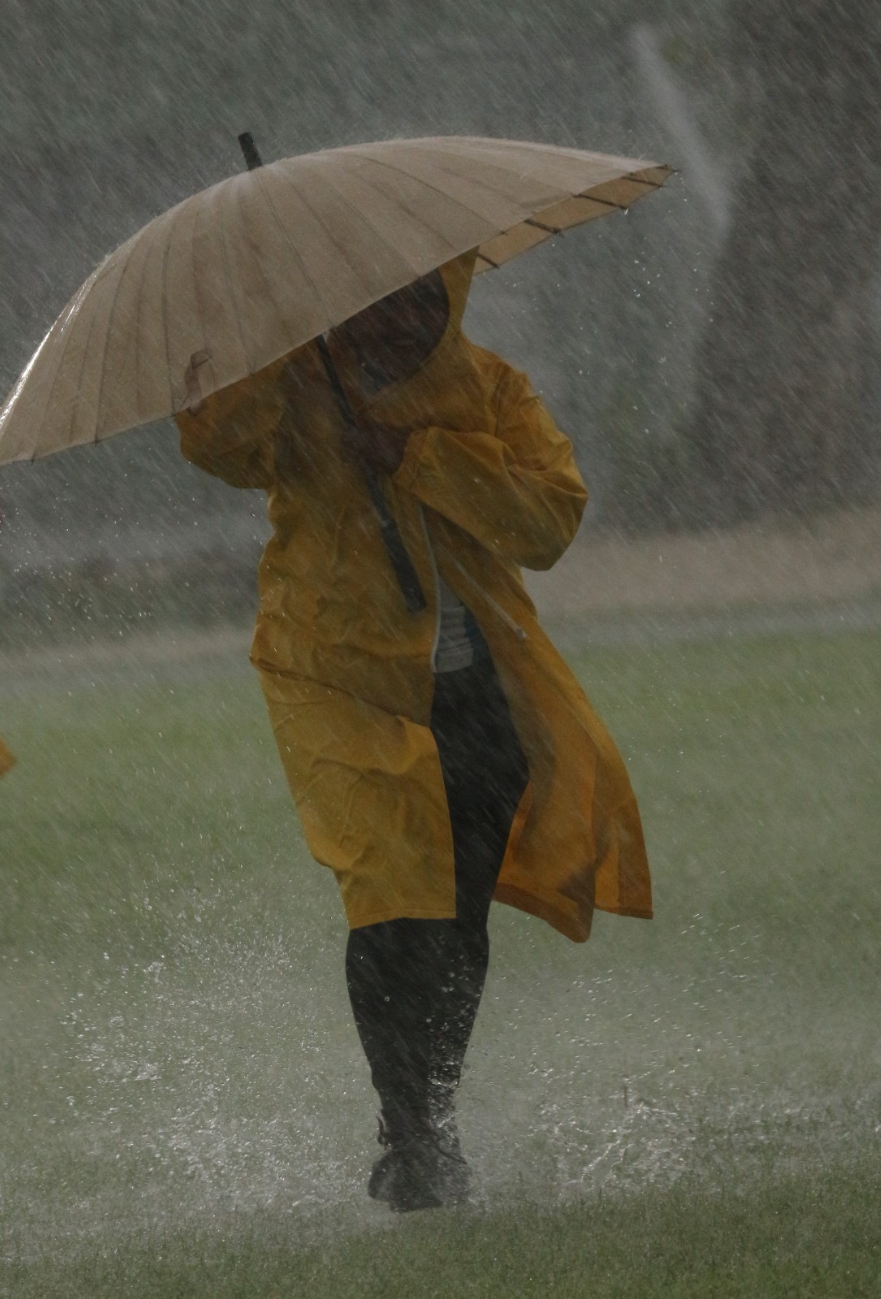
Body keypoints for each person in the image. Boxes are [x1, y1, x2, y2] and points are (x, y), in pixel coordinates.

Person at [177, 249, 651, 1212]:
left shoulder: (488, 391)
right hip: (337, 679)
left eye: (414, 297)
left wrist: (419, 457)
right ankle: (412, 1130)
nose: (392, 317)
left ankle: (422, 1114)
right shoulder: (299, 383)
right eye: (369, 297)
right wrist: (270, 358)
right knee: (393, 896)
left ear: (448, 293)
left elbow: (548, 521)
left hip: (477, 688)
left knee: (458, 914)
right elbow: (219, 447)